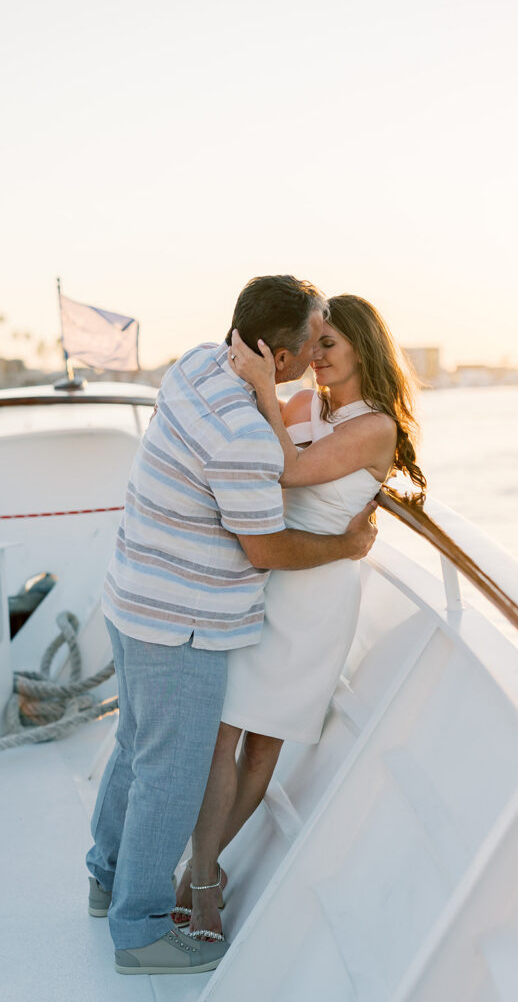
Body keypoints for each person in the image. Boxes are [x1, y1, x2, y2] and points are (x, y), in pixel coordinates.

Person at [85, 276, 378, 976]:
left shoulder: (193, 364)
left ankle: (106, 876)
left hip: (131, 593)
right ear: (275, 356)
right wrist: (344, 546)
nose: (315, 355)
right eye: (309, 342)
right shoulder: (247, 437)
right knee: (169, 774)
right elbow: (266, 549)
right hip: (180, 621)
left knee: (132, 746)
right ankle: (142, 931)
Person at [171, 293, 426, 943]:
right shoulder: (310, 406)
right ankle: (200, 877)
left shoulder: (374, 428)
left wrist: (262, 386)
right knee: (223, 738)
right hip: (269, 580)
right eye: (313, 344)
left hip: (316, 600)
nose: (313, 357)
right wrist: (260, 386)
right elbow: (256, 450)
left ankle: (199, 874)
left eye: (328, 345)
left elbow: (286, 468)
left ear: (362, 348)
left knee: (263, 746)